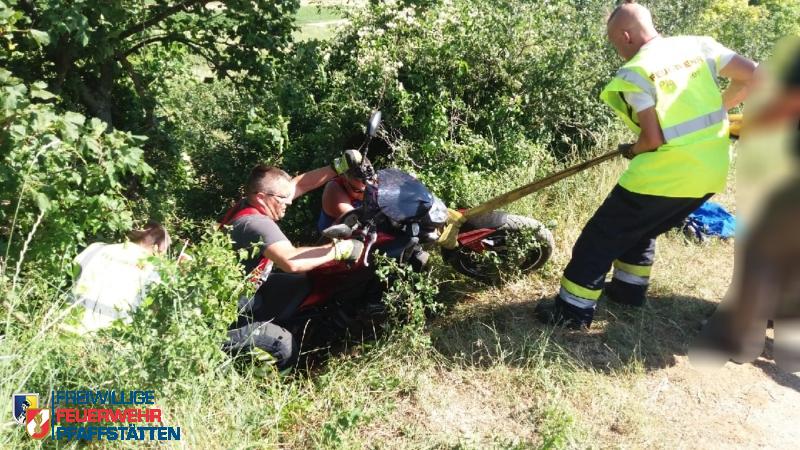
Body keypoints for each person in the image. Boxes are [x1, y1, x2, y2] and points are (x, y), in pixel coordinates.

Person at [535, 1, 757, 329]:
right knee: (642, 227)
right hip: (711, 171)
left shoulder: (637, 71)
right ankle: (628, 290)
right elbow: (756, 76)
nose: (617, 51)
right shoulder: (699, 45)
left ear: (625, 35)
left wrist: (632, 149)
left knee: (600, 237)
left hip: (666, 173)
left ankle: (571, 312)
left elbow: (651, 139)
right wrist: (720, 107)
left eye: (614, 43)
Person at [220, 151, 366, 368]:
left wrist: (337, 167)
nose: (288, 202)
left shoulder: (250, 202)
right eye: (282, 199)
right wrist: (340, 250)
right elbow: (291, 261)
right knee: (284, 346)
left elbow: (299, 185)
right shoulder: (255, 224)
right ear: (262, 197)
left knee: (309, 284)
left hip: (247, 290)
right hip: (230, 309)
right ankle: (271, 377)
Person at [67, 221, 170, 333]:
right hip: (109, 334)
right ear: (157, 248)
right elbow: (152, 308)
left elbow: (72, 272)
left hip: (69, 322)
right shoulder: (153, 271)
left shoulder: (97, 248)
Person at [317, 155, 371, 233]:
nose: (364, 194)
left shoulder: (372, 181)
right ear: (344, 181)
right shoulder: (333, 190)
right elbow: (356, 219)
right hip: (331, 239)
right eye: (358, 191)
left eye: (369, 188)